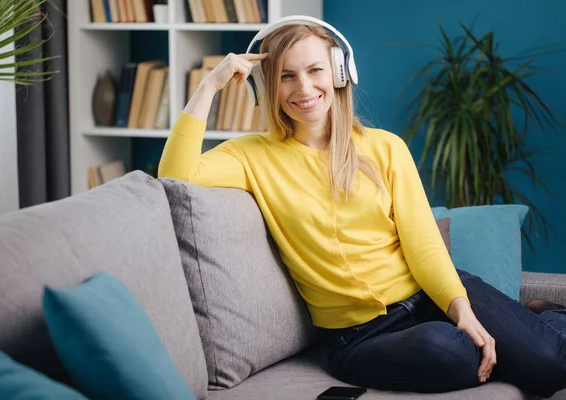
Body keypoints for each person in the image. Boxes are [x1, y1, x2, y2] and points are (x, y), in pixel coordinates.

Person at [158, 16, 566, 397]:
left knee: (551, 365)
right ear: (269, 87)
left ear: (339, 72)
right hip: (359, 337)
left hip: (428, 294)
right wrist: (209, 85)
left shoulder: (385, 147)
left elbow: (423, 244)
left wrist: (461, 309)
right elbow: (174, 174)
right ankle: (529, 326)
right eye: (286, 76)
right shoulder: (250, 156)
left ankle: (545, 320)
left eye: (315, 70)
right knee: (452, 351)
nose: (303, 88)